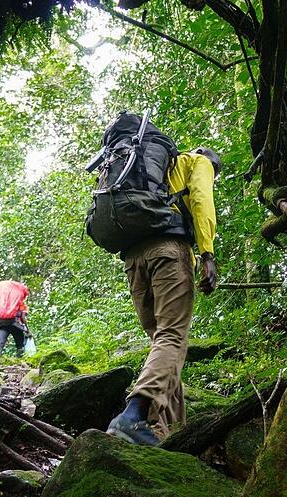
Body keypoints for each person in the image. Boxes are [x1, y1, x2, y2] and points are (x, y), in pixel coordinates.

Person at [106, 147, 221, 446]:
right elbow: (200, 199)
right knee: (172, 337)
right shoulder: (198, 161)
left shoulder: (150, 170)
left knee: (164, 343)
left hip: (133, 258)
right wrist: (207, 254)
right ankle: (132, 416)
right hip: (169, 251)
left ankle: (164, 433)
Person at [0, 279, 30, 360]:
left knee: (0, 345)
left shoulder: (1, 305)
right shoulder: (21, 304)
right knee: (20, 344)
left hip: (1, 325)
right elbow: (23, 317)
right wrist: (28, 330)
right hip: (16, 325)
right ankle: (20, 360)